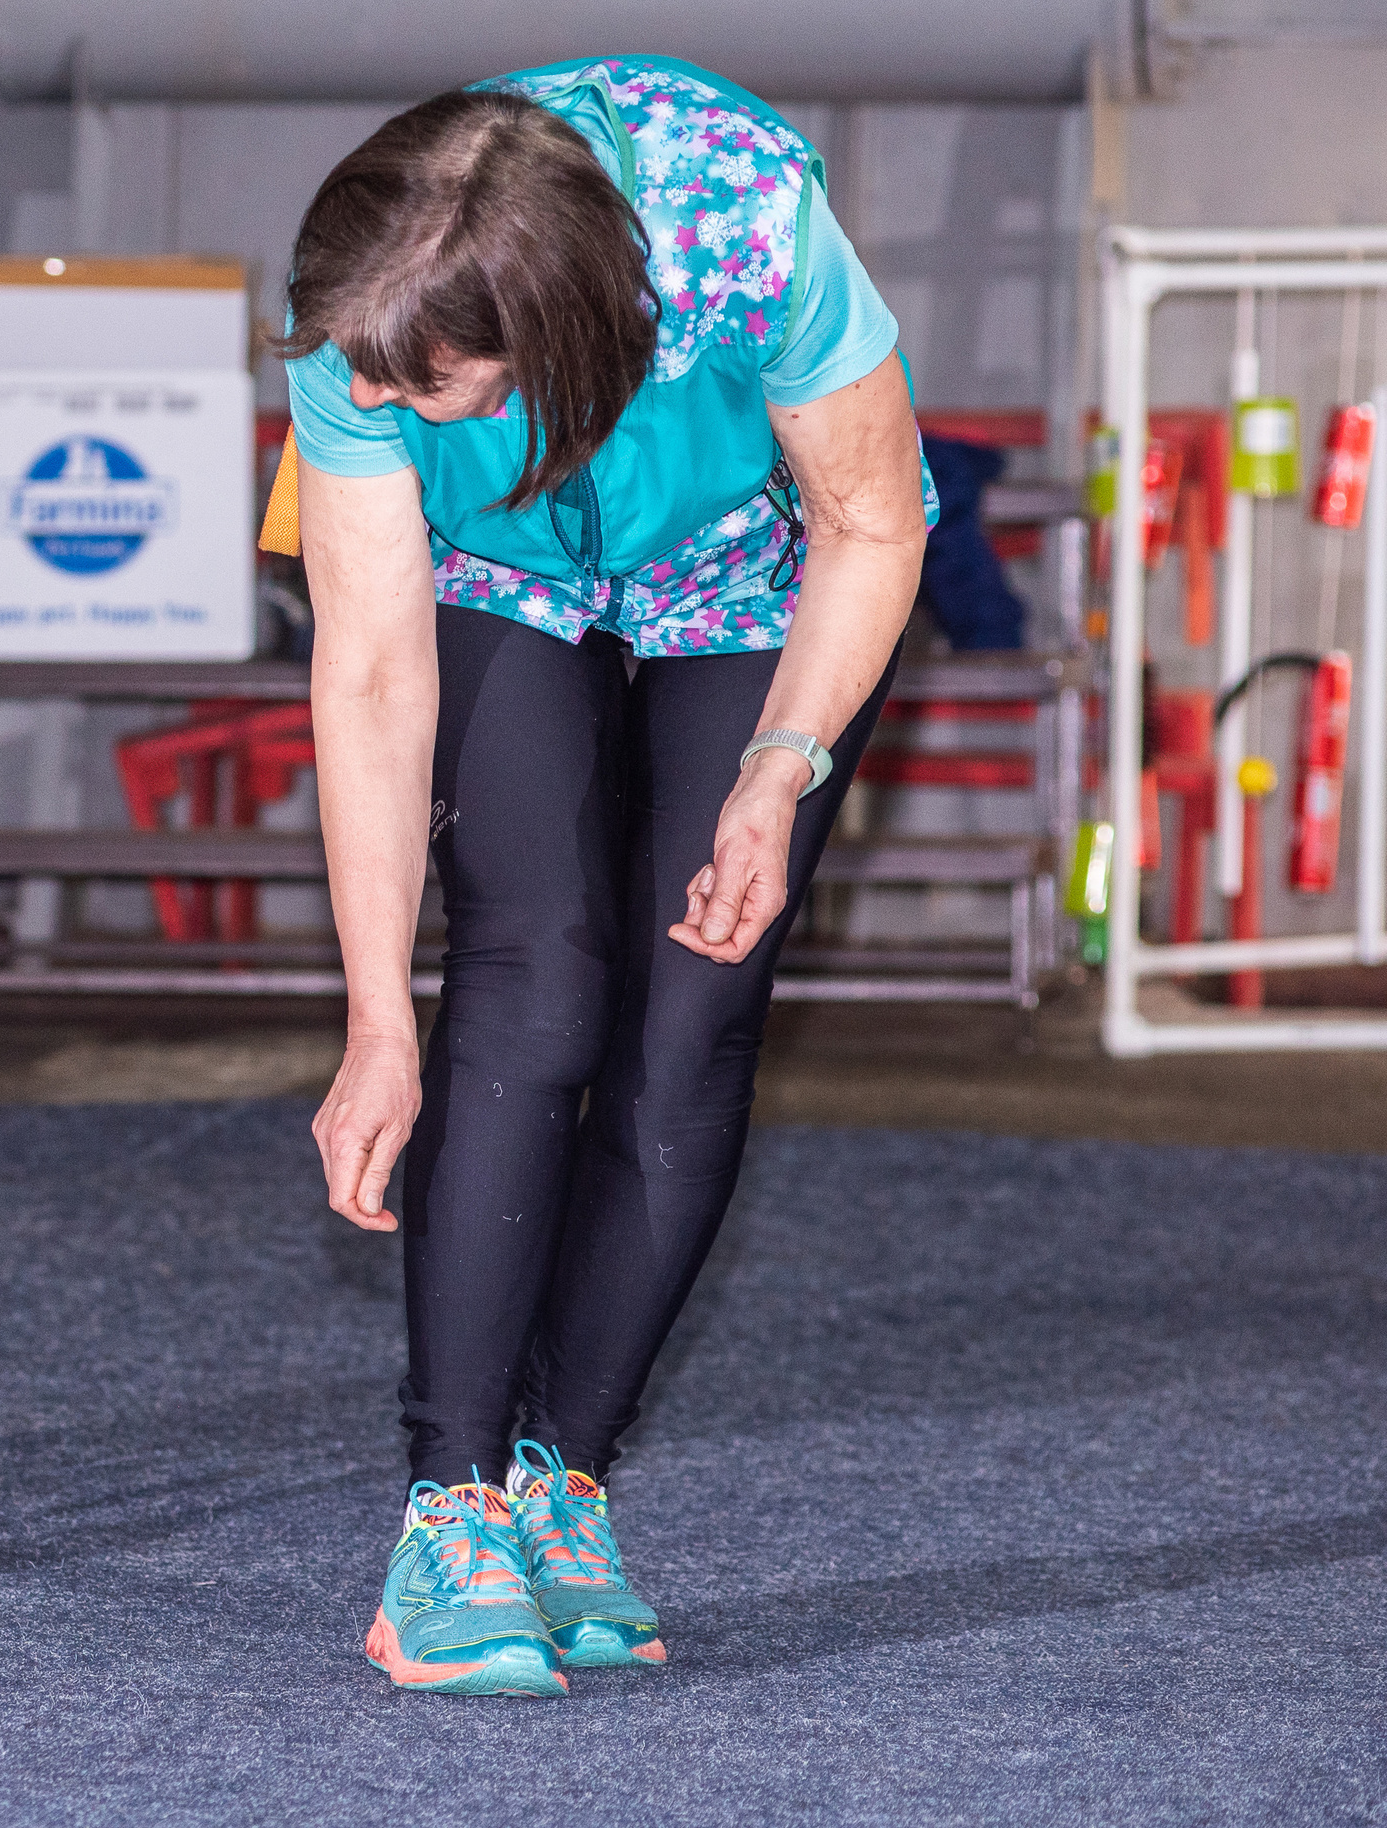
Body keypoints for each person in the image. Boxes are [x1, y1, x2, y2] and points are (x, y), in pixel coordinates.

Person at [276, 55, 934, 1697]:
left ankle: (562, 1481)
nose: (413, 414)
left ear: (563, 339)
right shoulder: (369, 304)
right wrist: (372, 1019)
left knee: (692, 1012)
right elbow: (366, 671)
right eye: (392, 394)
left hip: (749, 571)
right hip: (498, 573)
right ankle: (449, 1513)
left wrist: (778, 771)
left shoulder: (748, 234)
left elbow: (869, 520)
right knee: (534, 970)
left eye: (453, 391)